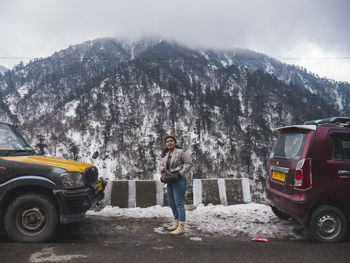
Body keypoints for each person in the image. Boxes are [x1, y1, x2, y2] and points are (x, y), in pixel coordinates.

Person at [160, 135, 192, 235]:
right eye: (167, 141)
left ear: (174, 142)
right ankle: (177, 223)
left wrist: (180, 174)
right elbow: (163, 166)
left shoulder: (181, 152)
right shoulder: (165, 155)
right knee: (172, 204)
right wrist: (162, 169)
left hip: (179, 180)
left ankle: (181, 227)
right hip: (170, 181)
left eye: (171, 141)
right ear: (165, 144)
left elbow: (189, 163)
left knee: (179, 204)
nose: (169, 143)